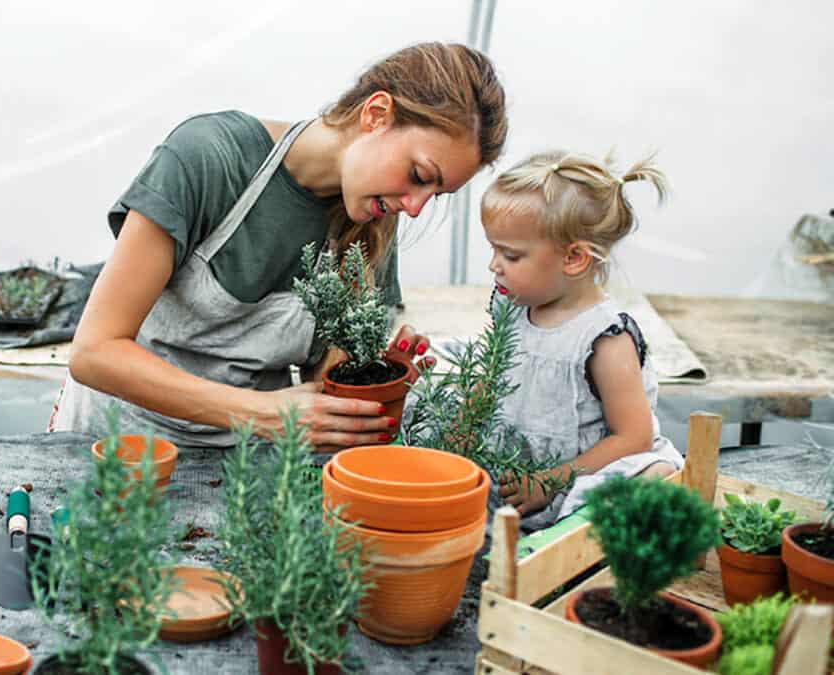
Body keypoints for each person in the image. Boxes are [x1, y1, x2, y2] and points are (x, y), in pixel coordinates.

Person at [50, 42, 508, 449]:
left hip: (243, 472)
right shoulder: (210, 159)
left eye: (436, 195)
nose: (415, 208)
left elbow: (321, 397)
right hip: (114, 452)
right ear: (376, 115)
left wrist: (375, 379)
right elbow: (95, 353)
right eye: (419, 176)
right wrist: (264, 413)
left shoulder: (371, 229)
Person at [483, 150, 684, 530]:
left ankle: (563, 547)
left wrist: (553, 480)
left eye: (509, 255)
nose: (494, 265)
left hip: (584, 474)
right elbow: (491, 377)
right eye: (492, 249)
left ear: (574, 258)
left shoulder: (604, 339)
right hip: (518, 473)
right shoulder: (512, 308)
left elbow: (634, 437)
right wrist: (465, 419)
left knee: (648, 476)